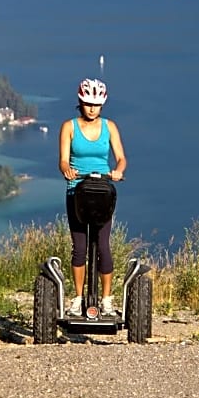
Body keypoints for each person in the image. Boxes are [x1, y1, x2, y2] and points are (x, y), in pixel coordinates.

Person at [58, 78, 127, 317]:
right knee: (79, 248)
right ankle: (78, 299)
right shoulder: (69, 127)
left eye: (96, 105)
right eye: (87, 103)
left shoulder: (110, 127)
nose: (91, 108)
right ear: (80, 102)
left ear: (102, 105)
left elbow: (121, 158)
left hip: (102, 190)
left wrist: (118, 171)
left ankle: (107, 299)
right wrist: (66, 169)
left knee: (104, 246)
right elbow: (63, 160)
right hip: (77, 190)